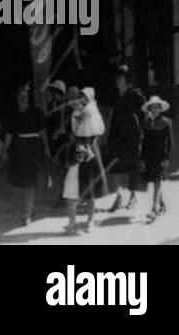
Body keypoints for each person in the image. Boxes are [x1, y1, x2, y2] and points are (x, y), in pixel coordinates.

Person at [3, 83, 50, 227]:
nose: (23, 98)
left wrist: (47, 148)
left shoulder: (36, 112)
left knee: (30, 181)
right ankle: (30, 207)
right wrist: (5, 150)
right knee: (24, 181)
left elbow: (43, 132)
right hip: (20, 149)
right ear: (17, 98)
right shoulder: (14, 114)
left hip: (33, 148)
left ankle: (28, 213)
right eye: (20, 96)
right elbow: (9, 134)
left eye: (25, 96)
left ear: (28, 98)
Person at [64, 86, 106, 235]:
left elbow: (98, 128)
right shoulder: (77, 111)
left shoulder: (90, 110)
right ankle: (74, 223)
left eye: (84, 97)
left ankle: (90, 219)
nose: (82, 100)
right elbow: (75, 129)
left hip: (89, 148)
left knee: (90, 185)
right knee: (75, 185)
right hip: (79, 148)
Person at [105, 65, 146, 212]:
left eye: (120, 78)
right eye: (116, 78)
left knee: (132, 167)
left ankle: (133, 196)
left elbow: (144, 115)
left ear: (127, 80)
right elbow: (111, 116)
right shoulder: (114, 97)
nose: (117, 81)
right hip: (116, 136)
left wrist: (143, 134)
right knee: (115, 167)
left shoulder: (136, 96)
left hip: (132, 136)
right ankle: (118, 196)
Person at [139, 95, 173, 222]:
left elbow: (169, 142)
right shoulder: (146, 123)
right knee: (154, 180)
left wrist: (167, 156)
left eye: (157, 107)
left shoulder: (165, 122)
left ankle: (154, 208)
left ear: (160, 109)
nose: (154, 110)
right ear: (149, 109)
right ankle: (161, 203)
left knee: (157, 181)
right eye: (152, 108)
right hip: (148, 156)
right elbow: (144, 141)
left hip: (160, 156)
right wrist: (142, 157)